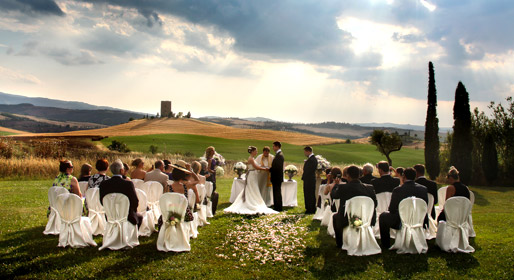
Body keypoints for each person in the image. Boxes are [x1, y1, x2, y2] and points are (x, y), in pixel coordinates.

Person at [379, 167, 428, 248]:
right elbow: (424, 206)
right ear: (415, 177)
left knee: (383, 216)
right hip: (419, 219)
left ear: (403, 176)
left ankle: (385, 244)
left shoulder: (398, 190)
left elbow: (391, 209)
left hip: (402, 221)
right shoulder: (423, 189)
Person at [331, 165, 377, 248]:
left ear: (347, 175)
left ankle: (340, 243)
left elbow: (334, 195)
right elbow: (375, 204)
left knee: (335, 217)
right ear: (360, 175)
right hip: (366, 218)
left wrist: (336, 185)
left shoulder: (343, 188)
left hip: (347, 219)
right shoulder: (369, 188)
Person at [224, 146, 278, 215]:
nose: (257, 152)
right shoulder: (251, 159)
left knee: (253, 188)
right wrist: (265, 169)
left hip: (253, 175)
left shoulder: (252, 158)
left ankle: (253, 200)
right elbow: (256, 167)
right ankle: (251, 201)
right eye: (256, 151)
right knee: (252, 188)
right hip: (252, 175)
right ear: (252, 152)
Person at [99, 159, 142, 228]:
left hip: (110, 216)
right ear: (122, 170)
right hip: (126, 216)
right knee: (140, 217)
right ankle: (131, 235)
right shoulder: (128, 184)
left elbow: (102, 201)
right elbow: (135, 201)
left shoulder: (103, 184)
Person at [302, 146, 318, 214]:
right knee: (309, 194)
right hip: (309, 179)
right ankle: (309, 208)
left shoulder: (312, 159)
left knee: (309, 194)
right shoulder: (311, 159)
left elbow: (308, 170)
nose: (304, 153)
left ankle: (310, 209)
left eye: (305, 152)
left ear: (308, 151)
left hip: (309, 180)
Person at [269, 142, 284, 211]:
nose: (273, 147)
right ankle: (277, 206)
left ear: (277, 146)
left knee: (277, 192)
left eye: (273, 146)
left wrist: (269, 169)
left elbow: (277, 167)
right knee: (276, 192)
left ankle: (278, 207)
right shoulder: (278, 155)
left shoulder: (279, 155)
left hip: (277, 177)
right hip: (276, 177)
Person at [205, 146, 219, 215]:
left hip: (213, 175)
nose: (214, 152)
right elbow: (208, 169)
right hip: (211, 176)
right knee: (212, 190)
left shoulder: (213, 159)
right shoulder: (209, 159)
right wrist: (213, 171)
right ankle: (212, 208)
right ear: (210, 152)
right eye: (213, 150)